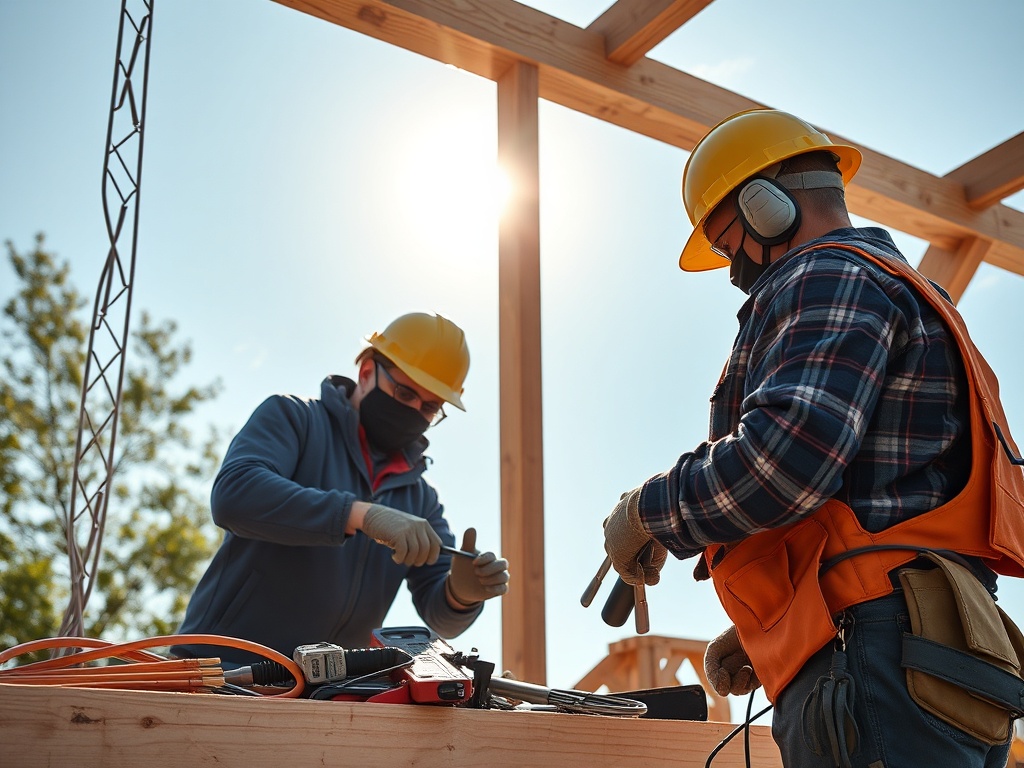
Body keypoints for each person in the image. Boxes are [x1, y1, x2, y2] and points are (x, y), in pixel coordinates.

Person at [601, 109, 1024, 767]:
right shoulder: (906, 288)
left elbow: (785, 462)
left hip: (884, 656)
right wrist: (786, 624)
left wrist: (648, 512)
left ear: (763, 207)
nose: (729, 263)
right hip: (943, 654)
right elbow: (881, 512)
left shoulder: (828, 273)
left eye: (723, 239)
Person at [173, 312, 509, 668]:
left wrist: (461, 595)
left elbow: (441, 616)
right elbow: (235, 495)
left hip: (328, 693)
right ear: (366, 373)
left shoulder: (420, 500)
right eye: (404, 392)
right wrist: (359, 515)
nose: (413, 410)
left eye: (429, 407)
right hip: (220, 670)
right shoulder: (295, 419)